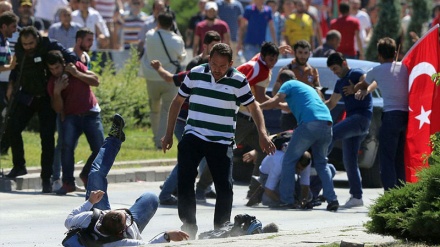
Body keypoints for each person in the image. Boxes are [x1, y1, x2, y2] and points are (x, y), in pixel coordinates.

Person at [161, 43, 276, 239]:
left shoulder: (239, 81)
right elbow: (177, 102)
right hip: (194, 135)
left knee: (225, 186)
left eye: (222, 66)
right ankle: (189, 224)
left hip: (221, 140)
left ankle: (220, 228)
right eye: (214, 64)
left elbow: (254, 107)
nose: (217, 70)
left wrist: (263, 134)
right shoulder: (196, 74)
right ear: (209, 60)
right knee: (186, 179)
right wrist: (169, 133)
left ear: (231, 64)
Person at [64, 114, 190, 246]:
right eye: (125, 216)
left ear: (100, 218)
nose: (124, 212)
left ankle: (113, 139)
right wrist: (167, 236)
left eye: (114, 212)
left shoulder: (89, 219)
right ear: (122, 231)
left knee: (95, 174)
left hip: (109, 225)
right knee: (151, 197)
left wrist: (90, 202)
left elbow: (68, 221)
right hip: (127, 232)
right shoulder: (124, 243)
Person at [151, 30, 221, 205]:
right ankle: (168, 192)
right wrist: (158, 68)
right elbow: (173, 85)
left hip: (197, 123)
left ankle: (200, 188)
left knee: (202, 157)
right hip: (185, 121)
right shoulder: (195, 68)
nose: (218, 69)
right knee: (190, 158)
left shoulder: (220, 72)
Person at [4, 26, 78, 194]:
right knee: (13, 128)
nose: (28, 47)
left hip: (46, 97)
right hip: (27, 96)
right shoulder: (20, 48)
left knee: (47, 139)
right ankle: (19, 165)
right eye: (25, 44)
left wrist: (68, 73)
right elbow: (17, 68)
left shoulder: (50, 45)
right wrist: (11, 84)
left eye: (31, 43)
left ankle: (46, 179)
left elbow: (71, 58)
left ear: (37, 39)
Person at [259, 69, 339, 211]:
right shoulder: (306, 88)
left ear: (280, 81)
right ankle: (332, 200)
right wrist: (274, 104)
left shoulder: (288, 84)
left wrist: (257, 107)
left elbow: (276, 101)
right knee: (321, 163)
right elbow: (286, 107)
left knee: (288, 160)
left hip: (309, 123)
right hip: (327, 123)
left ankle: (287, 200)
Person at [350, 37, 408, 191]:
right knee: (400, 159)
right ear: (395, 53)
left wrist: (356, 88)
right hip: (406, 117)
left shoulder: (376, 70)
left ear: (379, 56)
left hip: (390, 117)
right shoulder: (405, 67)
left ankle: (390, 196)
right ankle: (403, 194)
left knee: (387, 159)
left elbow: (363, 84)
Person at [46, 51, 104, 195]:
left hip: (91, 113)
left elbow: (96, 81)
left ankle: (86, 174)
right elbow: (58, 108)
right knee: (66, 148)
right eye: (51, 69)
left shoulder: (75, 67)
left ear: (63, 64)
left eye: (57, 68)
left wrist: (77, 73)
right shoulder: (53, 82)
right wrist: (57, 92)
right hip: (71, 117)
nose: (55, 72)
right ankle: (68, 183)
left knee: (100, 148)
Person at [325, 52, 372, 208]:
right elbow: (332, 103)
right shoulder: (339, 83)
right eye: (332, 70)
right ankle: (356, 197)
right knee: (349, 161)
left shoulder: (355, 72)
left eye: (336, 68)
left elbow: (367, 80)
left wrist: (356, 87)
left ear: (344, 63)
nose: (335, 72)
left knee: (332, 134)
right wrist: (315, 108)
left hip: (361, 118)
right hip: (353, 123)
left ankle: (320, 162)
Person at [140, 11, 186, 149]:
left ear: (158, 22)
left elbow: (151, 33)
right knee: (167, 109)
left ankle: (155, 137)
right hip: (169, 78)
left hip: (151, 76)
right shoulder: (177, 39)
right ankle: (160, 141)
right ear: (172, 23)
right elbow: (182, 57)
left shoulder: (150, 35)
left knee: (154, 107)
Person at [273, 40, 320, 131]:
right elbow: (275, 91)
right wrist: (284, 104)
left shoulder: (313, 71)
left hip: (307, 115)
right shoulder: (286, 69)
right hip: (290, 115)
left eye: (306, 53)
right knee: (287, 142)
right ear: (295, 53)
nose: (303, 56)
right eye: (300, 52)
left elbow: (318, 90)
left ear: (309, 54)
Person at [0, 11, 18, 147]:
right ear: (4, 26)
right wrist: (11, 66)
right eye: (13, 26)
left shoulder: (5, 41)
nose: (15, 29)